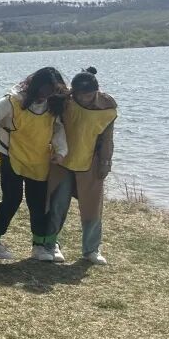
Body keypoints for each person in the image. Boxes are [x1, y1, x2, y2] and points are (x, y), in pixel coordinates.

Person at [0, 67, 69, 262]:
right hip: (12, 156)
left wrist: (61, 152)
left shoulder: (54, 105)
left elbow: (58, 129)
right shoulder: (14, 100)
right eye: (44, 89)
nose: (46, 95)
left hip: (39, 160)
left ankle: (39, 246)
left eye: (52, 91)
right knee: (12, 199)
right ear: (35, 85)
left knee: (38, 204)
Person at [48, 67, 116, 265]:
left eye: (89, 95)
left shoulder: (107, 105)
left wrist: (105, 162)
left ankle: (91, 249)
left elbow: (107, 138)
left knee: (92, 208)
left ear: (97, 90)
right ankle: (51, 244)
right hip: (62, 162)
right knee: (57, 204)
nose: (85, 99)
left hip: (91, 163)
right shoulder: (63, 102)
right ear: (74, 92)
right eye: (81, 95)